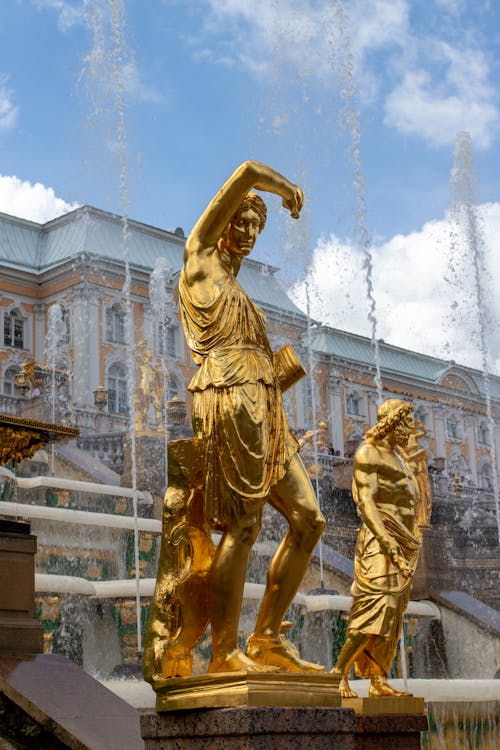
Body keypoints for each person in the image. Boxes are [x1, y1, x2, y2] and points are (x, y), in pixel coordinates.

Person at [179, 160, 325, 673]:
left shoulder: (241, 288)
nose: (246, 232)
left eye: (255, 227)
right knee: (243, 525)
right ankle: (223, 655)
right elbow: (243, 173)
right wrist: (283, 187)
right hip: (227, 397)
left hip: (266, 404)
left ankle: (266, 637)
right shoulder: (198, 260)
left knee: (309, 519)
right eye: (240, 222)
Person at [331, 399, 422, 697]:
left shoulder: (401, 459)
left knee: (394, 613)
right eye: (406, 423)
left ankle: (378, 679)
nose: (411, 430)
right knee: (375, 608)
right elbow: (366, 502)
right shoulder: (369, 452)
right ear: (392, 423)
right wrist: (387, 542)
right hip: (379, 541)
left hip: (405, 542)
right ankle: (338, 673)